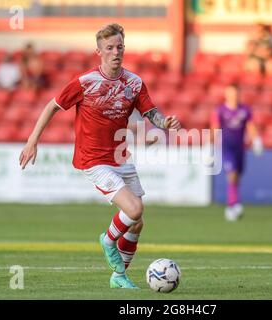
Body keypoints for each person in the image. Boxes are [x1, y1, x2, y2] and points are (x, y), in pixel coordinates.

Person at [19, 23, 181, 289]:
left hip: (120, 157)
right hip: (93, 160)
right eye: (110, 48)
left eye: (119, 47)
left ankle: (119, 275)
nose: (116, 52)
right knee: (134, 209)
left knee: (137, 223)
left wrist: (165, 124)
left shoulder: (134, 83)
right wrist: (32, 141)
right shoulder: (85, 83)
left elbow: (152, 112)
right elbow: (52, 105)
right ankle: (107, 241)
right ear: (99, 51)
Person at [211, 84, 263, 221]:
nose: (233, 96)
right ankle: (232, 205)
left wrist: (256, 140)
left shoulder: (245, 110)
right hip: (227, 147)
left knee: (237, 177)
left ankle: (234, 203)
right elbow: (215, 128)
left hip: (240, 148)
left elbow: (250, 126)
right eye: (230, 93)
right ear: (226, 95)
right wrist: (212, 143)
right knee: (232, 175)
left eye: (235, 94)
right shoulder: (220, 110)